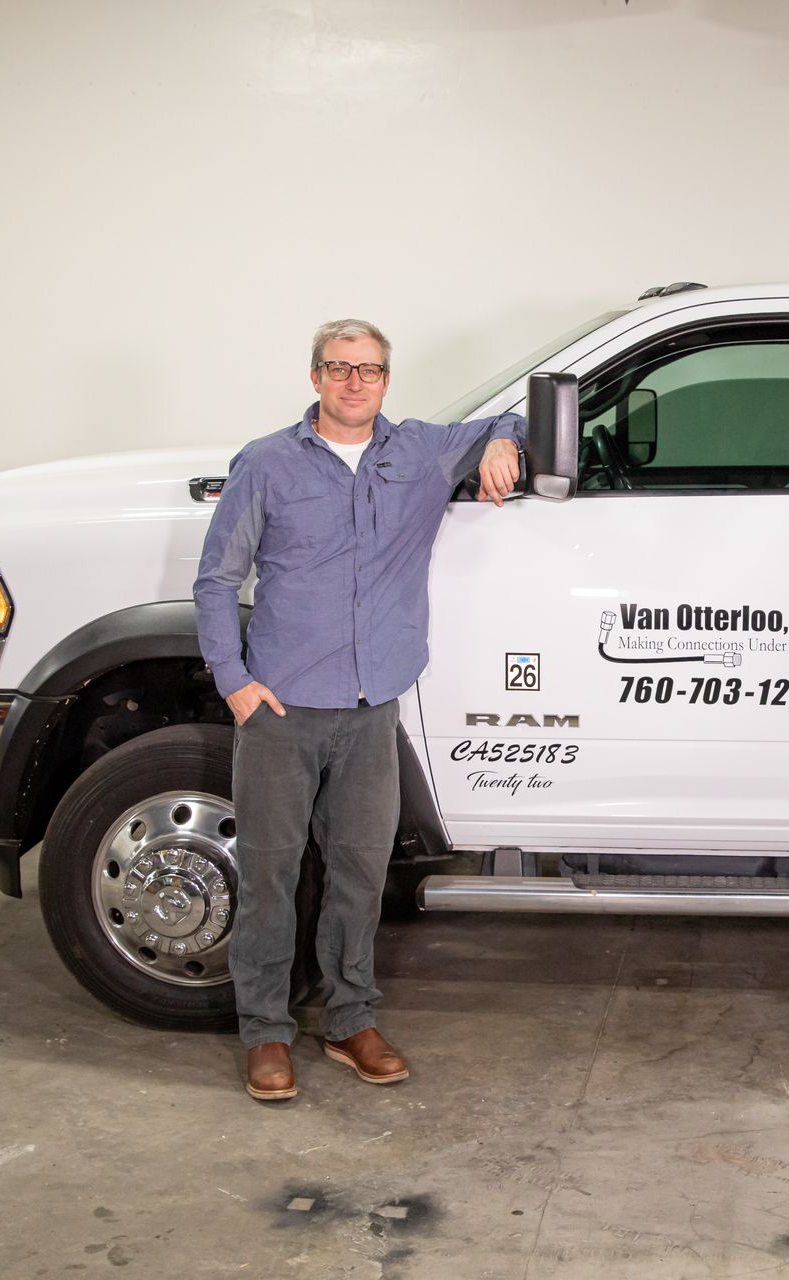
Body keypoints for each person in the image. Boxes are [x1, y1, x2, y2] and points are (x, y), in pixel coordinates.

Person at [194, 318, 524, 1102]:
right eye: (338, 369)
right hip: (280, 710)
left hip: (373, 707)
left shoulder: (418, 451)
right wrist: (233, 679)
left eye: (368, 371)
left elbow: (509, 416)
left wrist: (503, 441)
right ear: (314, 377)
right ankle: (266, 1033)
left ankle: (349, 1020)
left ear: (386, 380)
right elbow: (217, 579)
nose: (354, 383)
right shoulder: (267, 464)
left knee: (358, 873)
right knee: (272, 876)